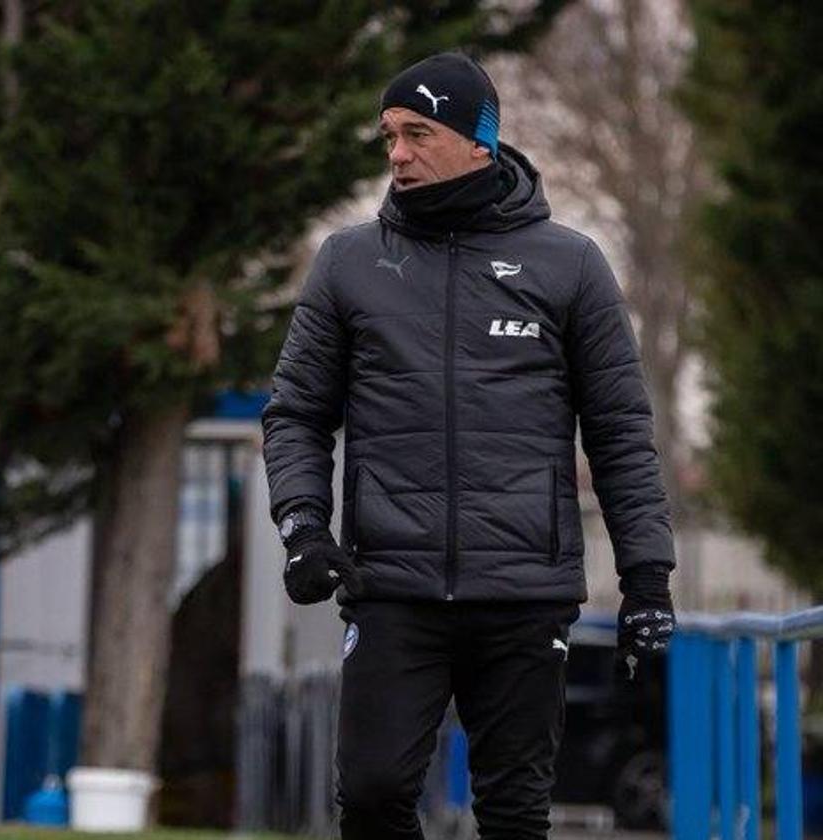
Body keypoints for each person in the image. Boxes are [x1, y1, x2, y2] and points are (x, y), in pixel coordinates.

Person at [261, 51, 676, 840]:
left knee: (514, 815)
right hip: (391, 586)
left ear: (477, 140)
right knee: (376, 796)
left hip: (524, 590)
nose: (397, 154)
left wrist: (647, 577)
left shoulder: (572, 264)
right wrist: (303, 529)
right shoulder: (349, 262)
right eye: (388, 135)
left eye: (417, 133)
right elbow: (296, 414)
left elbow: (620, 431)